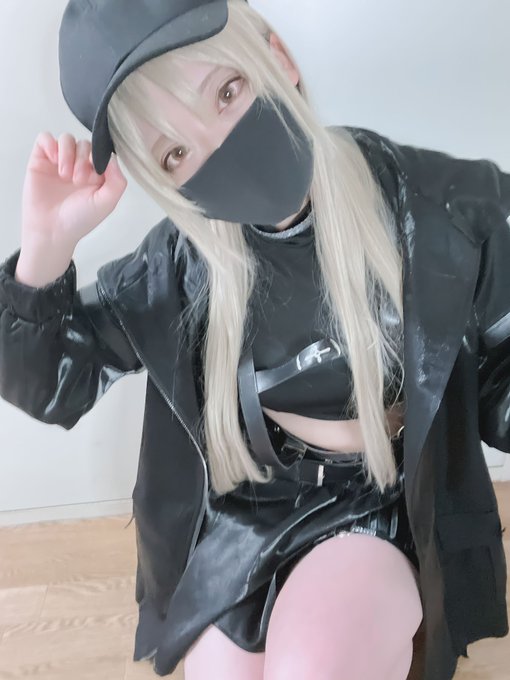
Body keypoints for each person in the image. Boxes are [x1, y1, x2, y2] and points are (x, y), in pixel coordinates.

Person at [0, 1, 508, 678]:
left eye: (227, 92)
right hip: (254, 510)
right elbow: (56, 383)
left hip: (386, 499)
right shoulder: (178, 269)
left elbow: (501, 374)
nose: (219, 146)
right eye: (175, 152)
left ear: (278, 59)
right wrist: (46, 252)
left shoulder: (448, 210)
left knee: (315, 665)